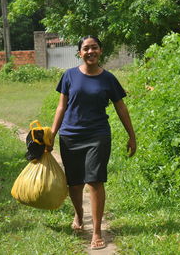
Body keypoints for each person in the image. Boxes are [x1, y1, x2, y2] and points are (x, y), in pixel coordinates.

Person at [48, 35, 136, 250]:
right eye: (86, 48)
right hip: (70, 135)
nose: (90, 52)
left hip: (98, 135)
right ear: (79, 53)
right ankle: (79, 215)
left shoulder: (108, 79)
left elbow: (121, 108)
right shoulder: (68, 76)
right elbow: (62, 107)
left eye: (94, 47)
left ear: (100, 50)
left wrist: (131, 135)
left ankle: (97, 231)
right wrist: (51, 134)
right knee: (75, 182)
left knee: (95, 181)